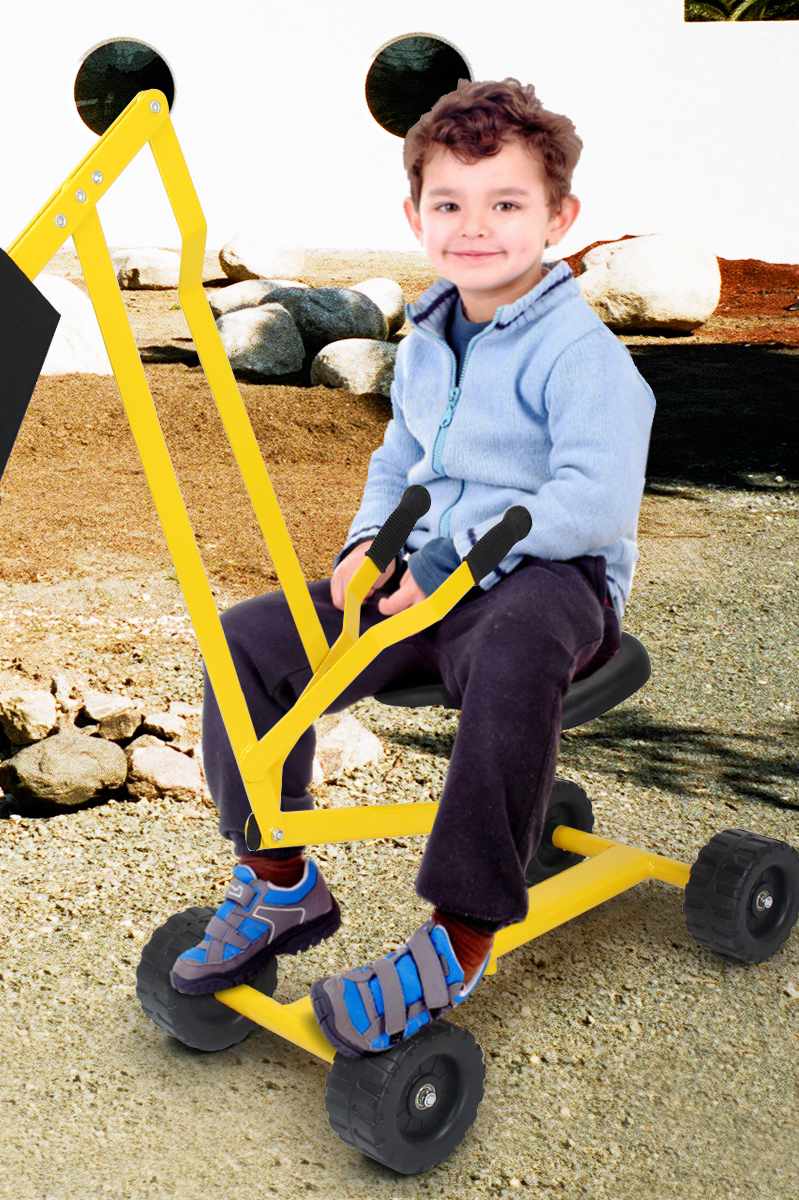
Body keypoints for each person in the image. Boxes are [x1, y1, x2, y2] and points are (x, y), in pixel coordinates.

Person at [171, 77, 656, 1059]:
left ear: (560, 218)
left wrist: (463, 567)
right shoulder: (433, 337)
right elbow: (403, 464)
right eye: (450, 205)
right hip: (432, 571)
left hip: (550, 579)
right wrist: (369, 547)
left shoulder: (582, 353)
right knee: (250, 643)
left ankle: (464, 932)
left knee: (513, 652)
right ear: (415, 216)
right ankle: (279, 881)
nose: (475, 228)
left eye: (506, 204)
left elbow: (592, 502)